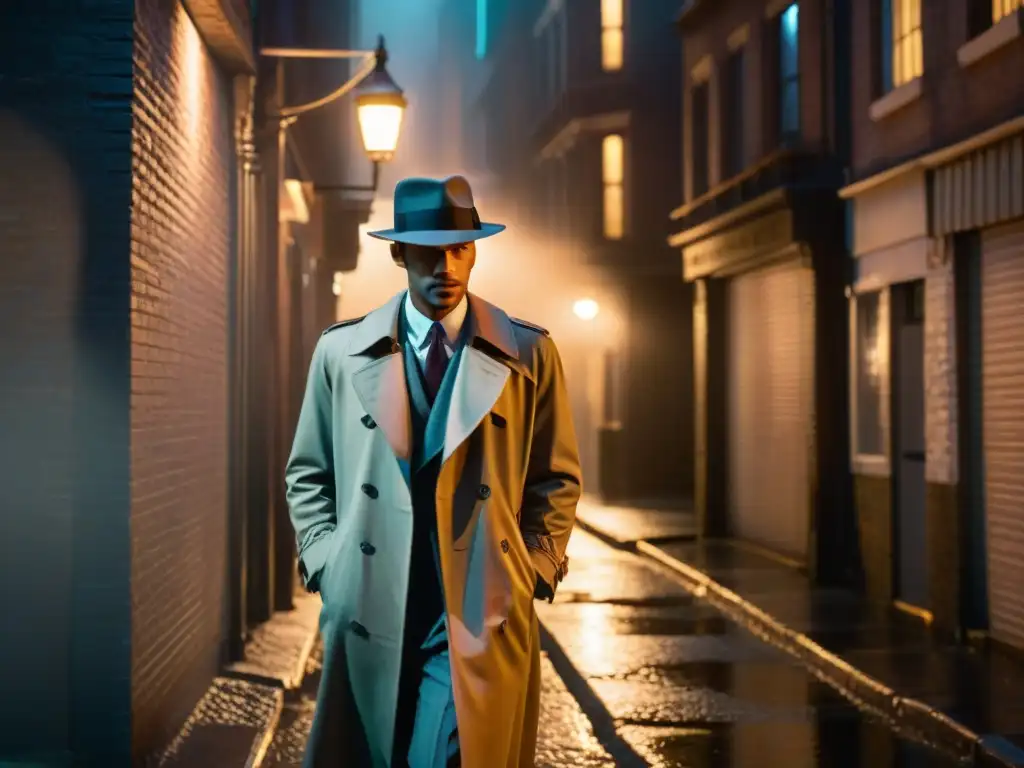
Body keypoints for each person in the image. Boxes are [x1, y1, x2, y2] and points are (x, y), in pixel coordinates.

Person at [285, 174, 582, 768]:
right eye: (428, 250)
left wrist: (531, 569)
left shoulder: (528, 353)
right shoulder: (341, 353)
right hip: (371, 597)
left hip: (476, 605)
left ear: (474, 252)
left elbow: (555, 477)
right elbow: (309, 473)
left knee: (448, 755)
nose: (445, 266)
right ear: (399, 253)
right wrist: (328, 563)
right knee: (378, 751)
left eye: (460, 249)